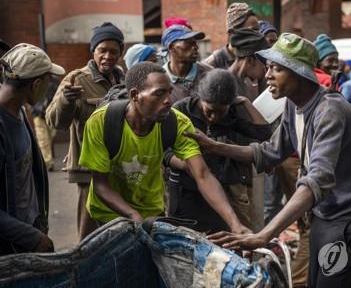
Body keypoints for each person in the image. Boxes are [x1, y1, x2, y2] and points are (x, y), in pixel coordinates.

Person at [188, 33, 351, 288]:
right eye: (268, 68)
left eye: (276, 69)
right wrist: (215, 147)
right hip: (324, 214)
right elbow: (269, 152)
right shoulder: (292, 105)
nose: (267, 76)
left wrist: (265, 234)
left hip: (347, 216)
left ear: (298, 74)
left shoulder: (329, 111)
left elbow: (316, 180)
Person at [78, 62, 249, 235]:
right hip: (109, 215)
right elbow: (100, 184)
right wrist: (133, 216)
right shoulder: (101, 122)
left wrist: (234, 223)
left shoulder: (177, 123)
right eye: (159, 93)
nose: (168, 100)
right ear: (135, 95)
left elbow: (203, 175)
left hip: (151, 212)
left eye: (169, 92)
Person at [46, 22, 126, 240]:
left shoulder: (124, 79)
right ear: (93, 51)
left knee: (117, 230)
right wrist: (66, 101)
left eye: (113, 51)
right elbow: (55, 122)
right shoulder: (76, 79)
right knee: (88, 235)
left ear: (121, 52)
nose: (107, 56)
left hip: (119, 167)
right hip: (88, 169)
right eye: (102, 50)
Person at [169, 69, 272, 232]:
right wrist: (187, 166)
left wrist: (245, 102)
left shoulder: (232, 114)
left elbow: (264, 132)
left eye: (220, 112)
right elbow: (165, 151)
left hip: (225, 188)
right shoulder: (182, 111)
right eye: (209, 110)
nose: (213, 117)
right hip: (188, 190)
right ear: (200, 98)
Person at [0, 43, 65, 255]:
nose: (49, 86)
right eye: (48, 80)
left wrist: (38, 223)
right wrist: (31, 237)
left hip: (30, 229)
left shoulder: (19, 111)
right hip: (10, 247)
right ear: (36, 84)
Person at [161, 25, 212, 103]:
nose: (196, 47)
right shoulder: (160, 78)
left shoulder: (209, 74)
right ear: (172, 47)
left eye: (195, 43)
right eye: (189, 43)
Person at [203, 3, 259, 69]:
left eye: (257, 30)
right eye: (252, 30)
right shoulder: (212, 64)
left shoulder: (256, 60)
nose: (257, 35)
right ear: (232, 32)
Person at [228, 28, 269, 101]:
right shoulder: (224, 84)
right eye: (264, 64)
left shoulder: (249, 85)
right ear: (250, 60)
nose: (266, 72)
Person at [31, 75, 59, 171]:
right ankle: (48, 162)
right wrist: (34, 108)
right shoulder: (35, 79)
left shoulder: (55, 80)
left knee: (51, 135)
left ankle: (47, 157)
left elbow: (58, 96)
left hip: (51, 113)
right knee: (43, 139)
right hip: (38, 114)